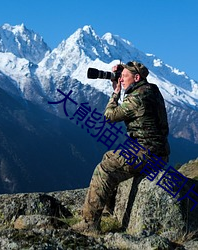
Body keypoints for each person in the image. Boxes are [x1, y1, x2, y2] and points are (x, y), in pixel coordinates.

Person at [72, 61, 170, 233]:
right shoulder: (151, 90)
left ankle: (89, 224)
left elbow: (109, 116)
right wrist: (123, 72)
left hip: (147, 153)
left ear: (137, 78)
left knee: (105, 168)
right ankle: (109, 209)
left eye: (125, 77)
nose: (121, 79)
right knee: (109, 156)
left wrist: (115, 93)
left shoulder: (137, 98)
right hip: (159, 151)